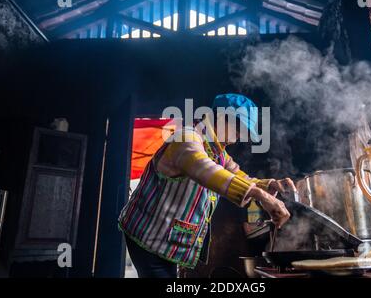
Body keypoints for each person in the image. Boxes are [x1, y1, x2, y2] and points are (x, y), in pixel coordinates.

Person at [118, 93, 295, 278]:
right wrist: (260, 196)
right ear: (218, 117)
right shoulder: (186, 138)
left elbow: (239, 176)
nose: (236, 139)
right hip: (147, 234)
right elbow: (206, 169)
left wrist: (269, 185)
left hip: (165, 240)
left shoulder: (218, 153)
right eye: (237, 129)